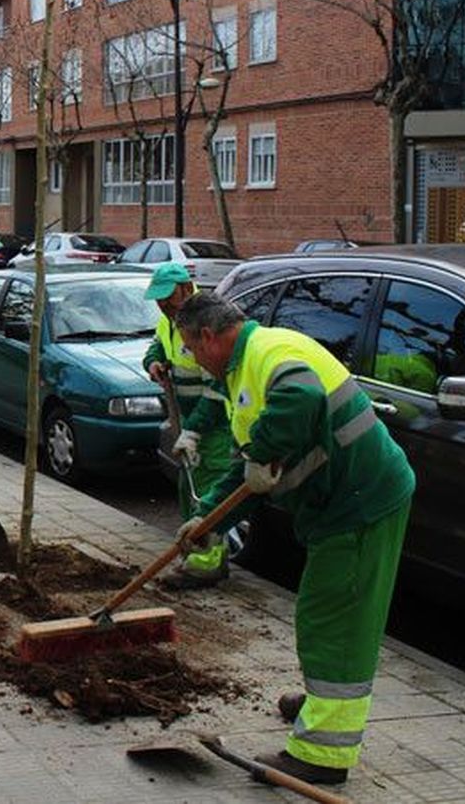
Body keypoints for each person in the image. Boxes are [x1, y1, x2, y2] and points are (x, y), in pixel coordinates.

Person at [174, 292, 415, 788]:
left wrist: (264, 452)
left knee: (335, 619)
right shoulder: (244, 368)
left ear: (210, 336)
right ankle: (324, 702)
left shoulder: (271, 354)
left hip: (360, 504)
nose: (191, 360)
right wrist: (204, 521)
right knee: (326, 611)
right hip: (339, 505)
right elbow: (252, 476)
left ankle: (322, 753)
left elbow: (299, 399)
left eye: (191, 349)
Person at [142, 264, 235, 589]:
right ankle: (195, 552)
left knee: (208, 492)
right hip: (187, 419)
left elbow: (215, 392)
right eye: (158, 300)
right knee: (188, 488)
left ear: (186, 288)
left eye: (167, 298)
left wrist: (193, 431)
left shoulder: (205, 323)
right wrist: (153, 362)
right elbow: (157, 345)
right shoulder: (170, 321)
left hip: (212, 427)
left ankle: (207, 564)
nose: (162, 305)